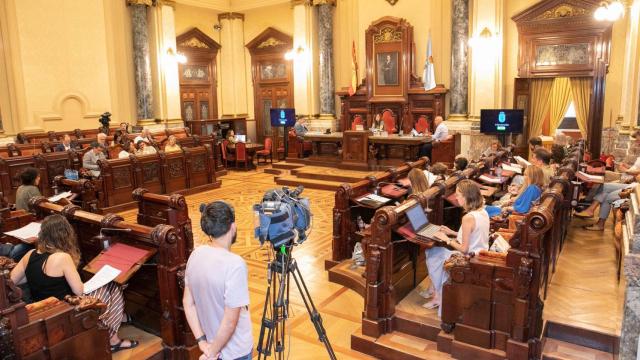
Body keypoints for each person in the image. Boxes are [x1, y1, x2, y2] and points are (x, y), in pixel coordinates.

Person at [9, 215, 138, 353]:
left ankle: (118, 320)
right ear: (65, 235)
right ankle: (113, 340)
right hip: (66, 311)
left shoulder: (30, 254)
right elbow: (79, 291)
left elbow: (11, 281)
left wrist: (34, 275)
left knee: (108, 289)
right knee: (113, 286)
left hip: (42, 309)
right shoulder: (62, 257)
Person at [183, 201, 253, 360]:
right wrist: (213, 352)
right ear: (233, 227)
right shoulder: (235, 264)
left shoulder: (196, 254)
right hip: (236, 352)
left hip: (210, 347)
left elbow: (188, 303)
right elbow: (230, 322)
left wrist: (202, 342)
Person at [422, 180, 489, 312]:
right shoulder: (482, 211)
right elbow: (472, 234)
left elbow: (464, 249)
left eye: (458, 194)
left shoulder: (468, 217)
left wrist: (447, 239)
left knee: (432, 254)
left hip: (468, 259)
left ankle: (439, 294)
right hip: (479, 255)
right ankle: (436, 290)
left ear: (466, 196)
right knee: (435, 252)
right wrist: (451, 232)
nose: (456, 197)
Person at [574, 174, 640, 231]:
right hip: (635, 185)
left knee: (608, 197)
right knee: (604, 186)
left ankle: (599, 223)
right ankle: (590, 209)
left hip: (636, 189)